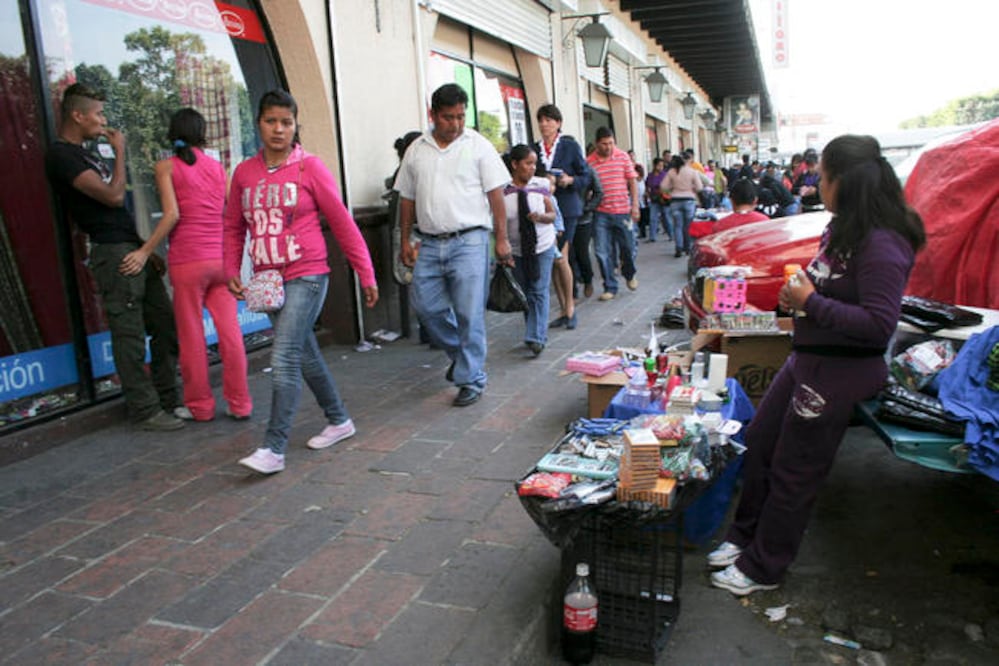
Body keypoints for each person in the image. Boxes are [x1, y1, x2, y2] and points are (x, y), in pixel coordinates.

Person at [708, 134, 926, 595]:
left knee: (795, 470)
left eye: (823, 177)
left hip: (841, 371)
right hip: (808, 359)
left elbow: (878, 325)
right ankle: (744, 538)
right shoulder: (842, 227)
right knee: (761, 444)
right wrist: (801, 297)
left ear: (843, 182)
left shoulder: (883, 243)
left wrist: (812, 301)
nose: (817, 186)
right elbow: (827, 288)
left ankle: (764, 567)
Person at [224, 90, 378, 474]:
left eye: (287, 122)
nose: (279, 129)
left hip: (307, 274)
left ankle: (273, 449)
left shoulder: (310, 167)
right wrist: (231, 268)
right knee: (305, 353)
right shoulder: (244, 172)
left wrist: (366, 273)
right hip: (267, 280)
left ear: (295, 126)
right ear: (258, 122)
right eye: (271, 121)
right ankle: (339, 420)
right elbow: (232, 226)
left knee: (285, 356)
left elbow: (342, 222)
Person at [44, 83, 184, 431]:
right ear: (78, 115)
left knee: (164, 325)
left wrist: (146, 250)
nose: (103, 120)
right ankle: (146, 410)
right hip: (112, 251)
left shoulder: (87, 153)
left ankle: (170, 397)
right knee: (129, 333)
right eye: (98, 113)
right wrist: (119, 151)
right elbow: (112, 196)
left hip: (131, 246)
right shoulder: (62, 156)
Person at [119, 108, 252, 423]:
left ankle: (201, 407)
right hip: (220, 259)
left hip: (188, 261)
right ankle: (240, 404)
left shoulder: (165, 167)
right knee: (230, 333)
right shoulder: (219, 169)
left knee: (191, 336)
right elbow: (228, 215)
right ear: (202, 134)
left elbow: (172, 215)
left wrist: (145, 250)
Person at [394, 83, 511, 407]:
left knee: (469, 313)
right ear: (433, 115)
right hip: (429, 243)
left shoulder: (478, 146)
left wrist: (500, 239)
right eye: (449, 117)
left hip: (470, 240)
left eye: (461, 116)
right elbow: (406, 198)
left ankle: (472, 378)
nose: (456, 124)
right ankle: (464, 358)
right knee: (426, 307)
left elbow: (496, 196)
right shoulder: (417, 149)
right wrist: (405, 240)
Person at [533, 104, 589, 330]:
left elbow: (585, 175)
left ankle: (570, 308)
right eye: (541, 120)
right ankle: (564, 308)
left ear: (558, 123)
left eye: (549, 120)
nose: (544, 124)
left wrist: (571, 180)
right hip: (544, 207)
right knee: (553, 259)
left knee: (560, 257)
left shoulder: (569, 146)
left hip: (566, 208)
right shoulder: (533, 148)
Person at [502, 145, 557, 356]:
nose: (532, 168)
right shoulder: (502, 189)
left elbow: (552, 214)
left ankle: (536, 337)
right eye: (528, 163)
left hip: (542, 245)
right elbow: (498, 222)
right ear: (515, 165)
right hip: (516, 250)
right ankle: (534, 331)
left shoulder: (540, 184)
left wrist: (541, 217)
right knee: (525, 293)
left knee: (538, 290)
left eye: (534, 163)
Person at [586, 126, 639, 301]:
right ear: (597, 144)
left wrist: (635, 206)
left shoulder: (623, 157)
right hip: (601, 213)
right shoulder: (590, 162)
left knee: (628, 248)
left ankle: (629, 274)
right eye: (604, 144)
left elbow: (632, 182)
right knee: (602, 251)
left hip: (623, 211)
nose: (608, 147)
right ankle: (610, 286)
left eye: (611, 143)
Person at [660, 154, 703, 257]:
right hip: (689, 200)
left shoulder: (671, 172)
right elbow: (700, 187)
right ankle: (687, 247)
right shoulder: (692, 172)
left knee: (677, 226)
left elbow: (663, 186)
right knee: (688, 226)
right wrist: (692, 188)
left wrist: (671, 189)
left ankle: (678, 247)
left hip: (675, 200)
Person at [573, 164, 603, 299]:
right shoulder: (557, 169)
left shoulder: (587, 170)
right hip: (564, 218)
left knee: (582, 253)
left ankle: (587, 280)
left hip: (583, 219)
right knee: (567, 256)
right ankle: (572, 290)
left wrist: (587, 207)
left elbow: (599, 192)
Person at [644, 157, 671, 243]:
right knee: (653, 218)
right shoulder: (650, 175)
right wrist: (648, 195)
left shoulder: (665, 175)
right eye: (659, 165)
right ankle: (652, 237)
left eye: (662, 166)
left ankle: (671, 234)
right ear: (655, 165)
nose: (661, 167)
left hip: (663, 199)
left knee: (666, 217)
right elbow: (647, 186)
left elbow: (669, 186)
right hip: (654, 199)